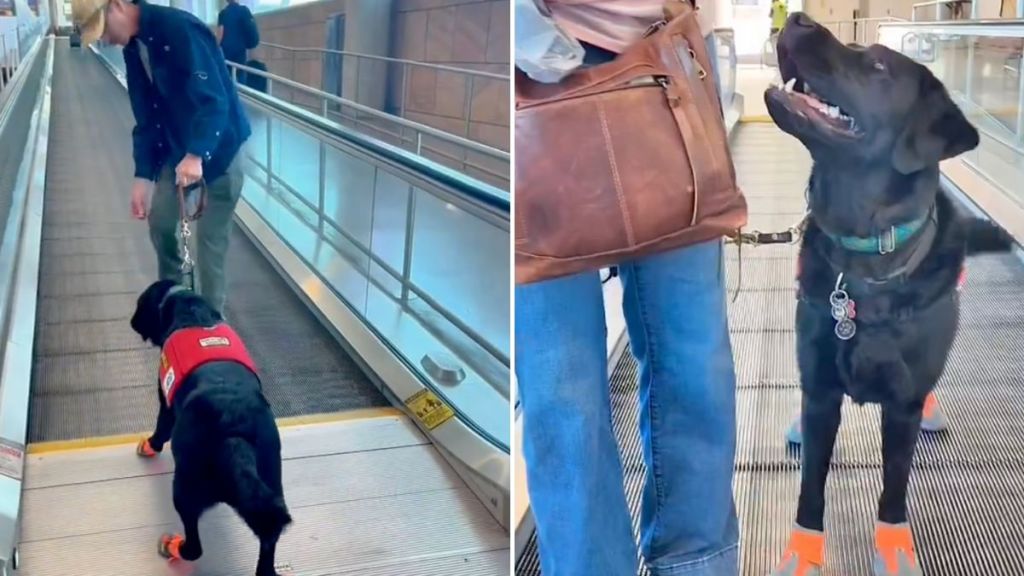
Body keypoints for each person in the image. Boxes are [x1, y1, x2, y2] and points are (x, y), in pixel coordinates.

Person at [515, 1, 739, 575]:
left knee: (696, 367)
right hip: (527, 67)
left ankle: (699, 565)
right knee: (561, 391)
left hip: (669, 51)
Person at [70, 0, 251, 315]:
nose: (105, 40)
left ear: (117, 7)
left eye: (103, 30)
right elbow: (147, 116)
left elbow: (214, 102)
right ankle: (175, 304)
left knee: (210, 246)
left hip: (220, 153)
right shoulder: (134, 47)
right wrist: (143, 175)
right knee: (162, 221)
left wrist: (197, 154)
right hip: (178, 150)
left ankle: (211, 323)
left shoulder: (180, 29)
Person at [216, 0, 258, 84]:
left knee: (226, 76)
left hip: (226, 51)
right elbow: (250, 30)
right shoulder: (244, 10)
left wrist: (215, 48)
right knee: (240, 74)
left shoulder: (223, 13)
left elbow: (220, 33)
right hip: (240, 50)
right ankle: (241, 93)